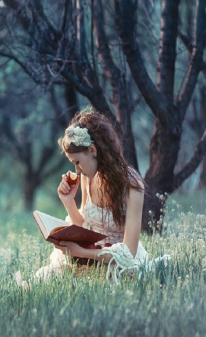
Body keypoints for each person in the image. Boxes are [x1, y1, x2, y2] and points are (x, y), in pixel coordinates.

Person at [30, 108, 150, 282]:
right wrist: (68, 201)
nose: (77, 171)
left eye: (77, 163)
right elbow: (83, 225)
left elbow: (128, 254)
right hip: (88, 256)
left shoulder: (132, 185)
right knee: (45, 280)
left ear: (92, 150)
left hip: (117, 264)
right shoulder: (89, 178)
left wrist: (81, 252)